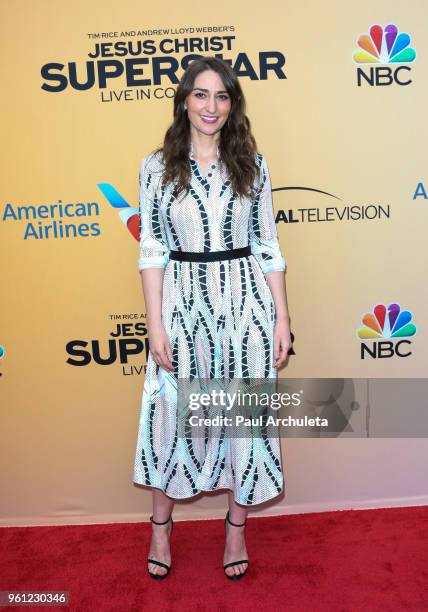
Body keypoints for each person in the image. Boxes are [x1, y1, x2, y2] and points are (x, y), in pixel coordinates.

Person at [133, 55, 291, 581]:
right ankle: (160, 526)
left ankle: (236, 529)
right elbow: (152, 250)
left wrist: (281, 318)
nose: (211, 106)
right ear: (184, 100)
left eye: (222, 96)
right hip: (182, 307)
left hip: (245, 306)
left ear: (232, 105)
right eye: (201, 94)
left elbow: (267, 244)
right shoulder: (156, 167)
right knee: (169, 422)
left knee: (243, 421)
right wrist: (155, 324)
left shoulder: (252, 163)